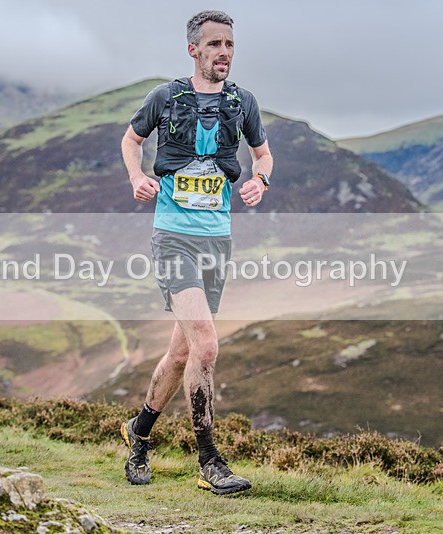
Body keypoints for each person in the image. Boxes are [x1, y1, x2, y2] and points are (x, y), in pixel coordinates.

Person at [119, 10, 273, 495]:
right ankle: (210, 461)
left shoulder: (243, 102)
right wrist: (138, 176)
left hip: (217, 240)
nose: (223, 52)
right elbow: (131, 139)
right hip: (173, 237)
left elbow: (263, 153)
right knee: (207, 344)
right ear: (193, 50)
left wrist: (259, 179)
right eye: (214, 45)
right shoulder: (165, 98)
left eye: (229, 44)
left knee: (182, 352)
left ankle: (139, 432)